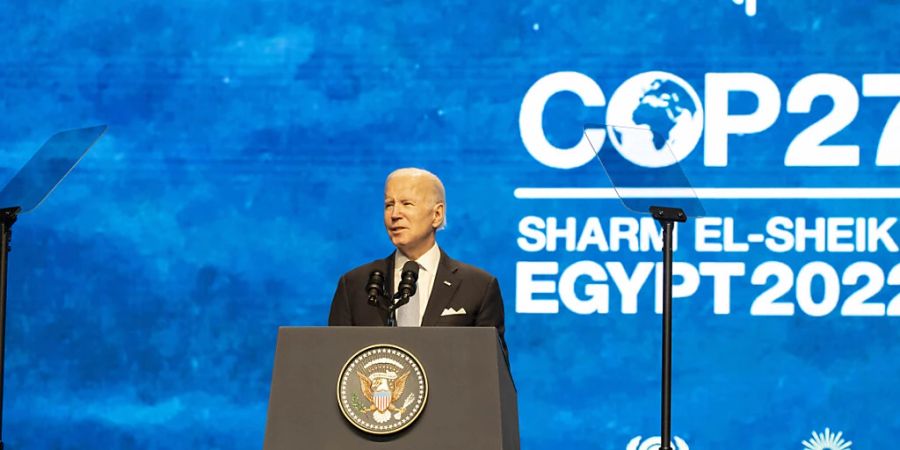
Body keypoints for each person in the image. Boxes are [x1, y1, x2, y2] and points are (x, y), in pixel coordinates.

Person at [328, 167, 508, 358]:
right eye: (389, 204)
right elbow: (334, 363)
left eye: (407, 203)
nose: (395, 214)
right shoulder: (355, 284)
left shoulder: (478, 287)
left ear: (437, 215)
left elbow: (492, 374)